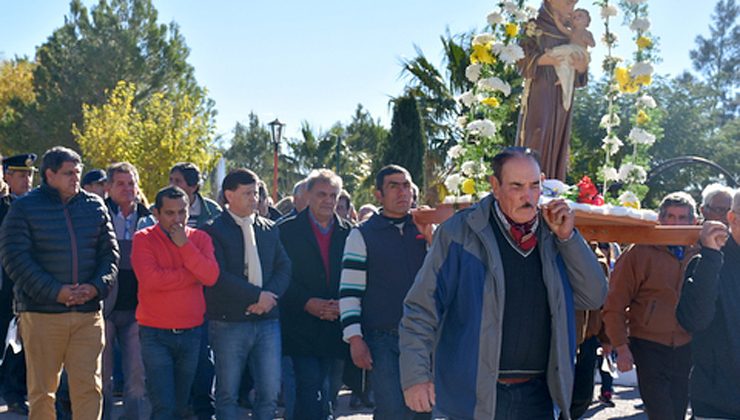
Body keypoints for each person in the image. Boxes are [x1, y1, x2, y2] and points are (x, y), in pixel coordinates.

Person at [399, 147, 606, 419]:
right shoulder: (460, 233)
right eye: (517, 186)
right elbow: (421, 309)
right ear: (494, 186)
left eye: (535, 186)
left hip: (539, 396)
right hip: (474, 396)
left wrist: (569, 239)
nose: (528, 196)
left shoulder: (555, 234)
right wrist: (416, 376)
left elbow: (594, 296)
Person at [0, 146, 119, 419]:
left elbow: (110, 255)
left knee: (89, 388)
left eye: (77, 172)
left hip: (88, 315)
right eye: (68, 173)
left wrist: (97, 287)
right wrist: (56, 292)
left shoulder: (94, 205)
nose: (75, 178)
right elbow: (14, 258)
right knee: (43, 392)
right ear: (49, 174)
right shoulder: (24, 208)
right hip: (42, 314)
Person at [339, 165, 429, 420]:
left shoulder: (427, 229)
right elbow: (349, 291)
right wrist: (355, 339)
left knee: (424, 410)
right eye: (393, 186)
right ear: (378, 194)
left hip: (424, 338)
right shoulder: (362, 235)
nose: (402, 192)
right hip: (383, 339)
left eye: (406, 185)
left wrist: (432, 238)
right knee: (392, 412)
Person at [603, 192, 700, 420]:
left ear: (693, 222)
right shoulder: (639, 252)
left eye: (682, 218)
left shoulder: (701, 252)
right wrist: (621, 345)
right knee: (661, 413)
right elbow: (614, 303)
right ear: (660, 219)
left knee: (678, 411)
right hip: (649, 345)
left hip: (687, 345)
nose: (675, 223)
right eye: (670, 217)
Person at [203, 169, 291, 420]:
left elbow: (284, 267)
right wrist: (256, 297)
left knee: (269, 390)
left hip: (267, 321)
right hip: (229, 321)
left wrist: (268, 297)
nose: (254, 199)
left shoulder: (269, 229)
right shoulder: (213, 230)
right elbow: (217, 275)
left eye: (256, 193)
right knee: (227, 392)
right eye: (247, 193)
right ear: (229, 195)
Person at [131, 185, 218, 420]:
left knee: (181, 407)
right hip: (155, 334)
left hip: (191, 333)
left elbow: (210, 276)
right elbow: (150, 280)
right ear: (156, 214)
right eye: (170, 213)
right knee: (164, 407)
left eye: (182, 212)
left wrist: (184, 246)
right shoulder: (143, 239)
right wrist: (191, 274)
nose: (177, 219)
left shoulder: (199, 239)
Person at [278, 169, 352, 420]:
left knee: (329, 393)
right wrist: (307, 302)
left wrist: (344, 305)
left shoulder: (350, 233)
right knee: (310, 390)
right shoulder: (285, 231)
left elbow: (357, 276)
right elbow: (279, 276)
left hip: (336, 325)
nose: (328, 200)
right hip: (300, 325)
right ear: (307, 195)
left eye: (334, 195)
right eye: (322, 194)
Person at [677, 189, 740, 419]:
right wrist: (711, 256)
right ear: (732, 218)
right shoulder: (707, 263)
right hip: (718, 405)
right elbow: (694, 320)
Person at [168, 162, 221, 418]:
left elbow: (213, 261)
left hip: (206, 297)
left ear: (193, 186)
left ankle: (203, 407)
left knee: (203, 357)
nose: (172, 186)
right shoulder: (161, 211)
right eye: (171, 180)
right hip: (173, 296)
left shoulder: (213, 212)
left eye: (178, 181)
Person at [516, 0, 589, 180]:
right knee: (538, 132)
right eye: (568, 4)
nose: (571, 10)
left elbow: (581, 64)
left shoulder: (571, 31)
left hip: (562, 93)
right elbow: (521, 58)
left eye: (573, 5)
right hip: (541, 88)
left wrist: (581, 67)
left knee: (559, 137)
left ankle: (553, 183)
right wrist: (545, 59)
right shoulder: (534, 26)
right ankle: (529, 180)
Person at [101, 162, 151, 420]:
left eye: (131, 183)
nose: (127, 189)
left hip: (138, 310)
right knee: (102, 375)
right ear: (108, 187)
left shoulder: (150, 217)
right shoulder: (97, 215)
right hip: (104, 308)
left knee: (136, 376)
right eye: (120, 183)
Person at [0, 154, 27, 415]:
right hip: (3, 286)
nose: (27, 180)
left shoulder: (36, 205)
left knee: (21, 346)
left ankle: (16, 392)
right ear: (6, 175)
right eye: (21, 175)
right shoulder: (3, 206)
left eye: (30, 174)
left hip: (26, 288)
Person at [548, 8, 594, 111]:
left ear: (587, 21)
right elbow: (562, 28)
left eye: (580, 16)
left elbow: (592, 44)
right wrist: (556, 20)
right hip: (570, 53)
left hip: (580, 53)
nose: (577, 18)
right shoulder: (572, 32)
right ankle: (563, 79)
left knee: (565, 50)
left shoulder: (586, 33)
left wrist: (586, 39)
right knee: (563, 63)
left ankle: (552, 52)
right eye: (574, 17)